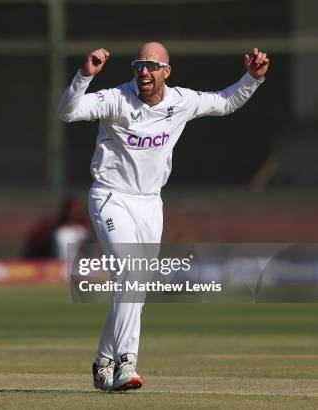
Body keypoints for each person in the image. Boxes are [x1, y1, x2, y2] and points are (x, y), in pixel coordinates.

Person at [57, 42, 269, 392]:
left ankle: (104, 361)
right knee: (131, 270)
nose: (144, 71)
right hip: (111, 196)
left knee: (135, 286)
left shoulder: (180, 101)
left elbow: (226, 101)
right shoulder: (116, 98)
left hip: (150, 203)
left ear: (166, 72)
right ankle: (126, 362)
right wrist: (85, 76)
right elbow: (67, 112)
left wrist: (253, 78)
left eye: (152, 66)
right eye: (139, 65)